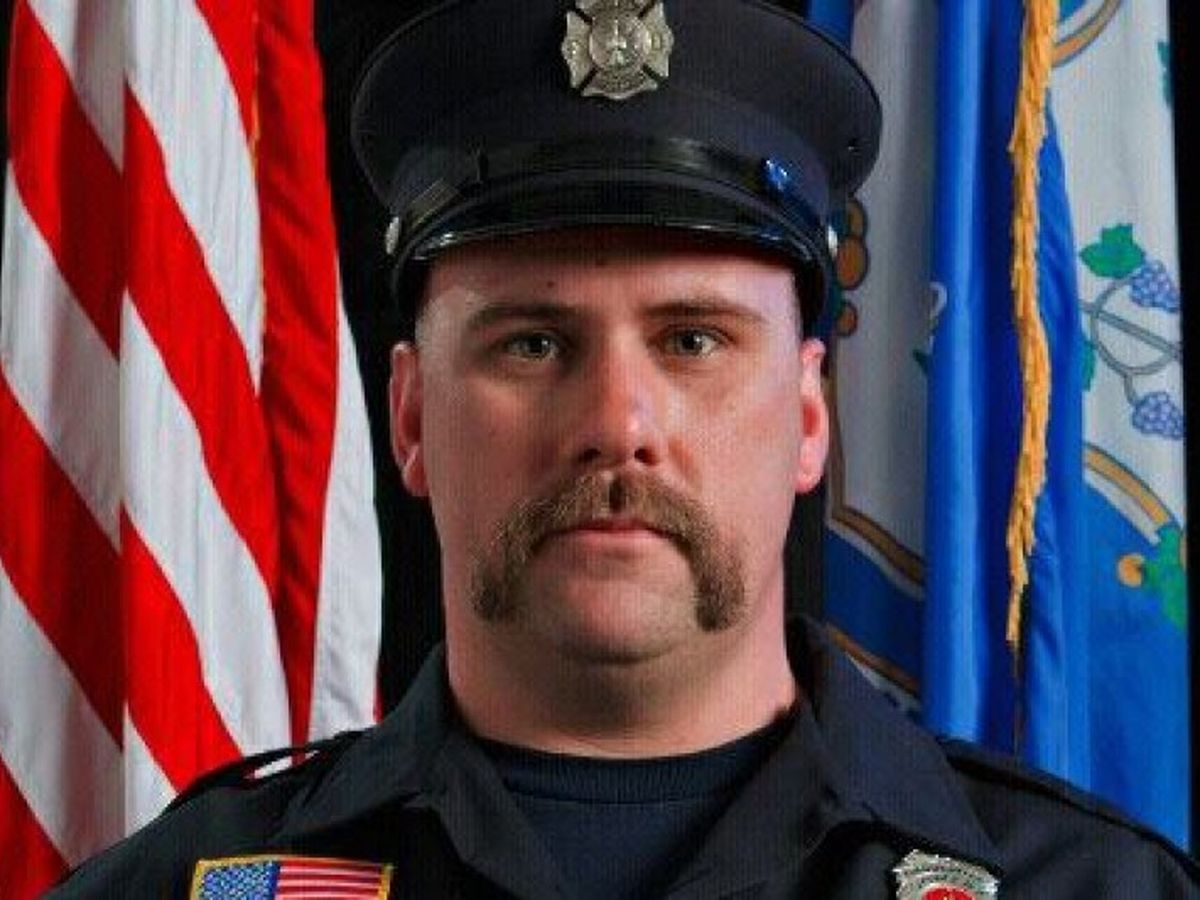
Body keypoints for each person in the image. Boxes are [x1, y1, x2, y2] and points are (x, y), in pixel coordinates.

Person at [49, 1, 1199, 897]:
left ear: (811, 417)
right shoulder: (174, 890)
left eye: (693, 340)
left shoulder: (1085, 889)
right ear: (410, 418)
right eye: (533, 343)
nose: (617, 421)